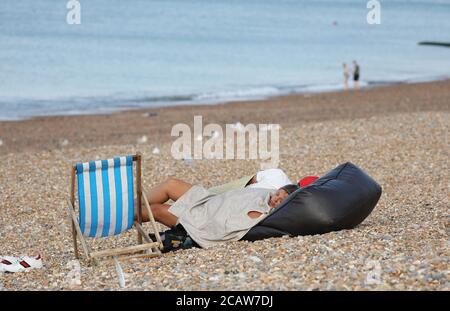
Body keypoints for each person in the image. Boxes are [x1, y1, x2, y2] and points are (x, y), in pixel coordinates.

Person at [140, 178, 298, 248]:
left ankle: (119, 217)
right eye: (279, 194)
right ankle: (125, 206)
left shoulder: (265, 215)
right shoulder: (266, 193)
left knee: (155, 210)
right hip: (209, 201)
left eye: (282, 200)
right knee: (171, 184)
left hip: (199, 221)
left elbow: (226, 226)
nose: (277, 199)